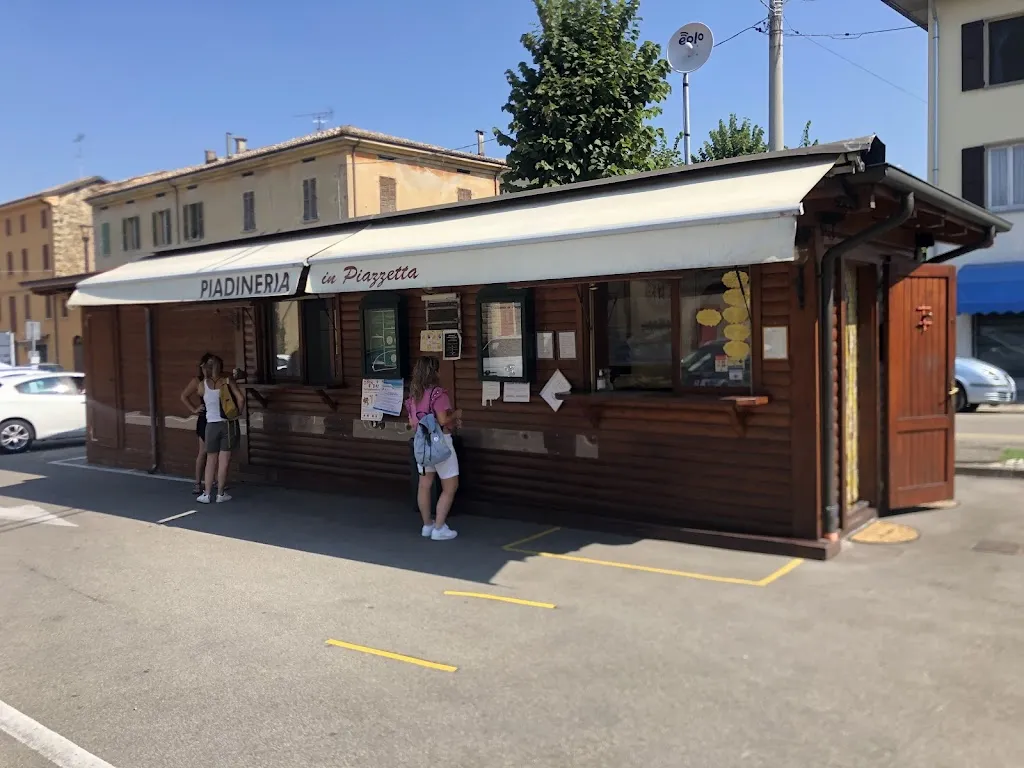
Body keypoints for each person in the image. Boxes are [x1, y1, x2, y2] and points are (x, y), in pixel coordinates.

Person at [406, 356, 461, 541]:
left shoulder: (413, 397)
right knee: (450, 486)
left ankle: (427, 525)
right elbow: (444, 420)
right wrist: (457, 414)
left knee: (424, 484)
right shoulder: (438, 394)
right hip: (440, 443)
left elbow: (412, 423)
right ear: (434, 372)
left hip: (421, 445)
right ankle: (439, 527)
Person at [195, 355, 244, 504]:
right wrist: (237, 414)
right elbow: (240, 399)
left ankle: (207, 493)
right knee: (224, 461)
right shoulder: (228, 382)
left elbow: (201, 395)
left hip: (210, 425)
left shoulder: (202, 385)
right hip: (227, 423)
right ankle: (220, 493)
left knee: (211, 460)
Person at [179, 352, 216, 495]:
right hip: (205, 417)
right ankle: (197, 483)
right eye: (209, 364)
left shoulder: (218, 379)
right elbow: (184, 396)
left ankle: (216, 481)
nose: (211, 367)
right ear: (203, 365)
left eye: (214, 364)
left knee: (217, 451)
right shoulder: (198, 381)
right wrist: (194, 409)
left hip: (217, 416)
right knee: (204, 451)